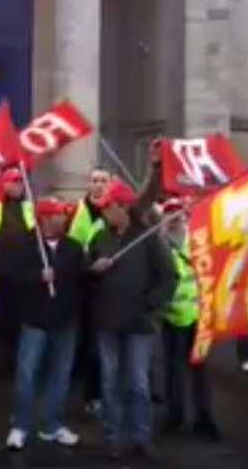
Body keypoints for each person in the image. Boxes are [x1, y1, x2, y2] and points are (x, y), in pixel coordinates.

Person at [86, 179, 176, 460]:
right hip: (108, 322)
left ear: (123, 207)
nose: (103, 213)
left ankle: (140, 436)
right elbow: (86, 277)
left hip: (139, 324)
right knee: (110, 381)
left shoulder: (148, 238)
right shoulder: (100, 239)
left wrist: (148, 306)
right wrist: (93, 270)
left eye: (108, 207)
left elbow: (168, 278)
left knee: (137, 383)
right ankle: (112, 436)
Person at [5, 197, 82, 451]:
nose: (64, 218)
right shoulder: (25, 247)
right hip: (34, 320)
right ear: (46, 219)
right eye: (59, 214)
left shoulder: (73, 248)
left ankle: (53, 424)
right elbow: (11, 278)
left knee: (60, 375)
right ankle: (20, 424)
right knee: (26, 374)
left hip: (64, 321)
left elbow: (80, 280)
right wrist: (37, 277)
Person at [158, 196, 220, 440]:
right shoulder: (159, 246)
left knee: (201, 370)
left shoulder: (198, 243)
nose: (174, 219)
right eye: (169, 214)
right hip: (172, 318)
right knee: (174, 371)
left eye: (178, 214)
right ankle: (175, 416)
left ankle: (204, 418)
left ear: (186, 218)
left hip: (198, 317)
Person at [0, 167, 36, 377]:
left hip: (22, 276)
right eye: (13, 182)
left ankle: (14, 364)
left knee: (17, 322)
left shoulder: (30, 207)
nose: (17, 185)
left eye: (20, 182)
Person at [68, 168, 111, 417]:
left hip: (112, 285)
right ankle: (91, 394)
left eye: (103, 180)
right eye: (94, 180)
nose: (98, 185)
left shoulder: (115, 210)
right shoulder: (79, 211)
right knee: (90, 343)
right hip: (87, 286)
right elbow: (74, 248)